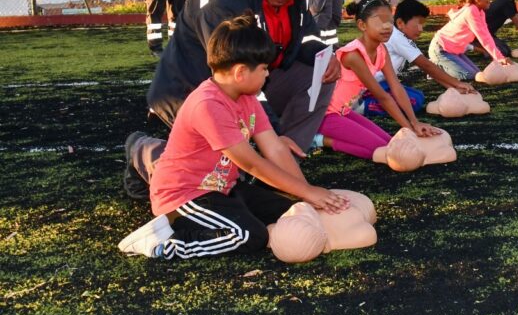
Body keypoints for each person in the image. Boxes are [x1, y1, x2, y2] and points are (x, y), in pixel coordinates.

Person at [128, 0, 340, 201]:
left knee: (321, 73)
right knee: (217, 175)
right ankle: (145, 152)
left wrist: (323, 54)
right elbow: (235, 73)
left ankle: (283, 167)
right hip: (193, 91)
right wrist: (271, 134)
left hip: (250, 84)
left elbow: (305, 33)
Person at [118, 14, 349, 259]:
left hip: (223, 189)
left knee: (291, 210)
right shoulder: (208, 105)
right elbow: (252, 164)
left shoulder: (247, 98)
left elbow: (275, 149)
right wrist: (309, 193)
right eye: (264, 69)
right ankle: (162, 245)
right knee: (250, 235)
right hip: (184, 197)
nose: (268, 75)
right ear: (240, 72)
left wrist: (306, 194)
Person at [314, 0, 438, 159]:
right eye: (380, 21)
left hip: (343, 111)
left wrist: (414, 122)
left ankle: (320, 139)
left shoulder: (381, 50)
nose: (387, 27)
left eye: (390, 22)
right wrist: (409, 129)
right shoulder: (354, 55)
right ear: (362, 25)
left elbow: (396, 86)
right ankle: (319, 140)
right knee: (384, 150)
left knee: (389, 142)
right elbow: (382, 96)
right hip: (323, 114)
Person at [362, 0, 478, 116]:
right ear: (400, 23)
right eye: (418, 24)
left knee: (418, 95)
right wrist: (457, 83)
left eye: (422, 24)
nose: (421, 29)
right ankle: (362, 106)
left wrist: (452, 88)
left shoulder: (402, 37)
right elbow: (426, 65)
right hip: (367, 86)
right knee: (413, 101)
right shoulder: (396, 37)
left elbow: (427, 68)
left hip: (381, 83)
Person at [429, 0, 510, 81]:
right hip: (441, 49)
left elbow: (486, 35)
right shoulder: (471, 11)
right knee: (469, 75)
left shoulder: (480, 12)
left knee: (477, 73)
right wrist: (499, 58)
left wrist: (498, 58)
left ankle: (444, 65)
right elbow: (484, 38)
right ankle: (436, 67)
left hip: (454, 51)